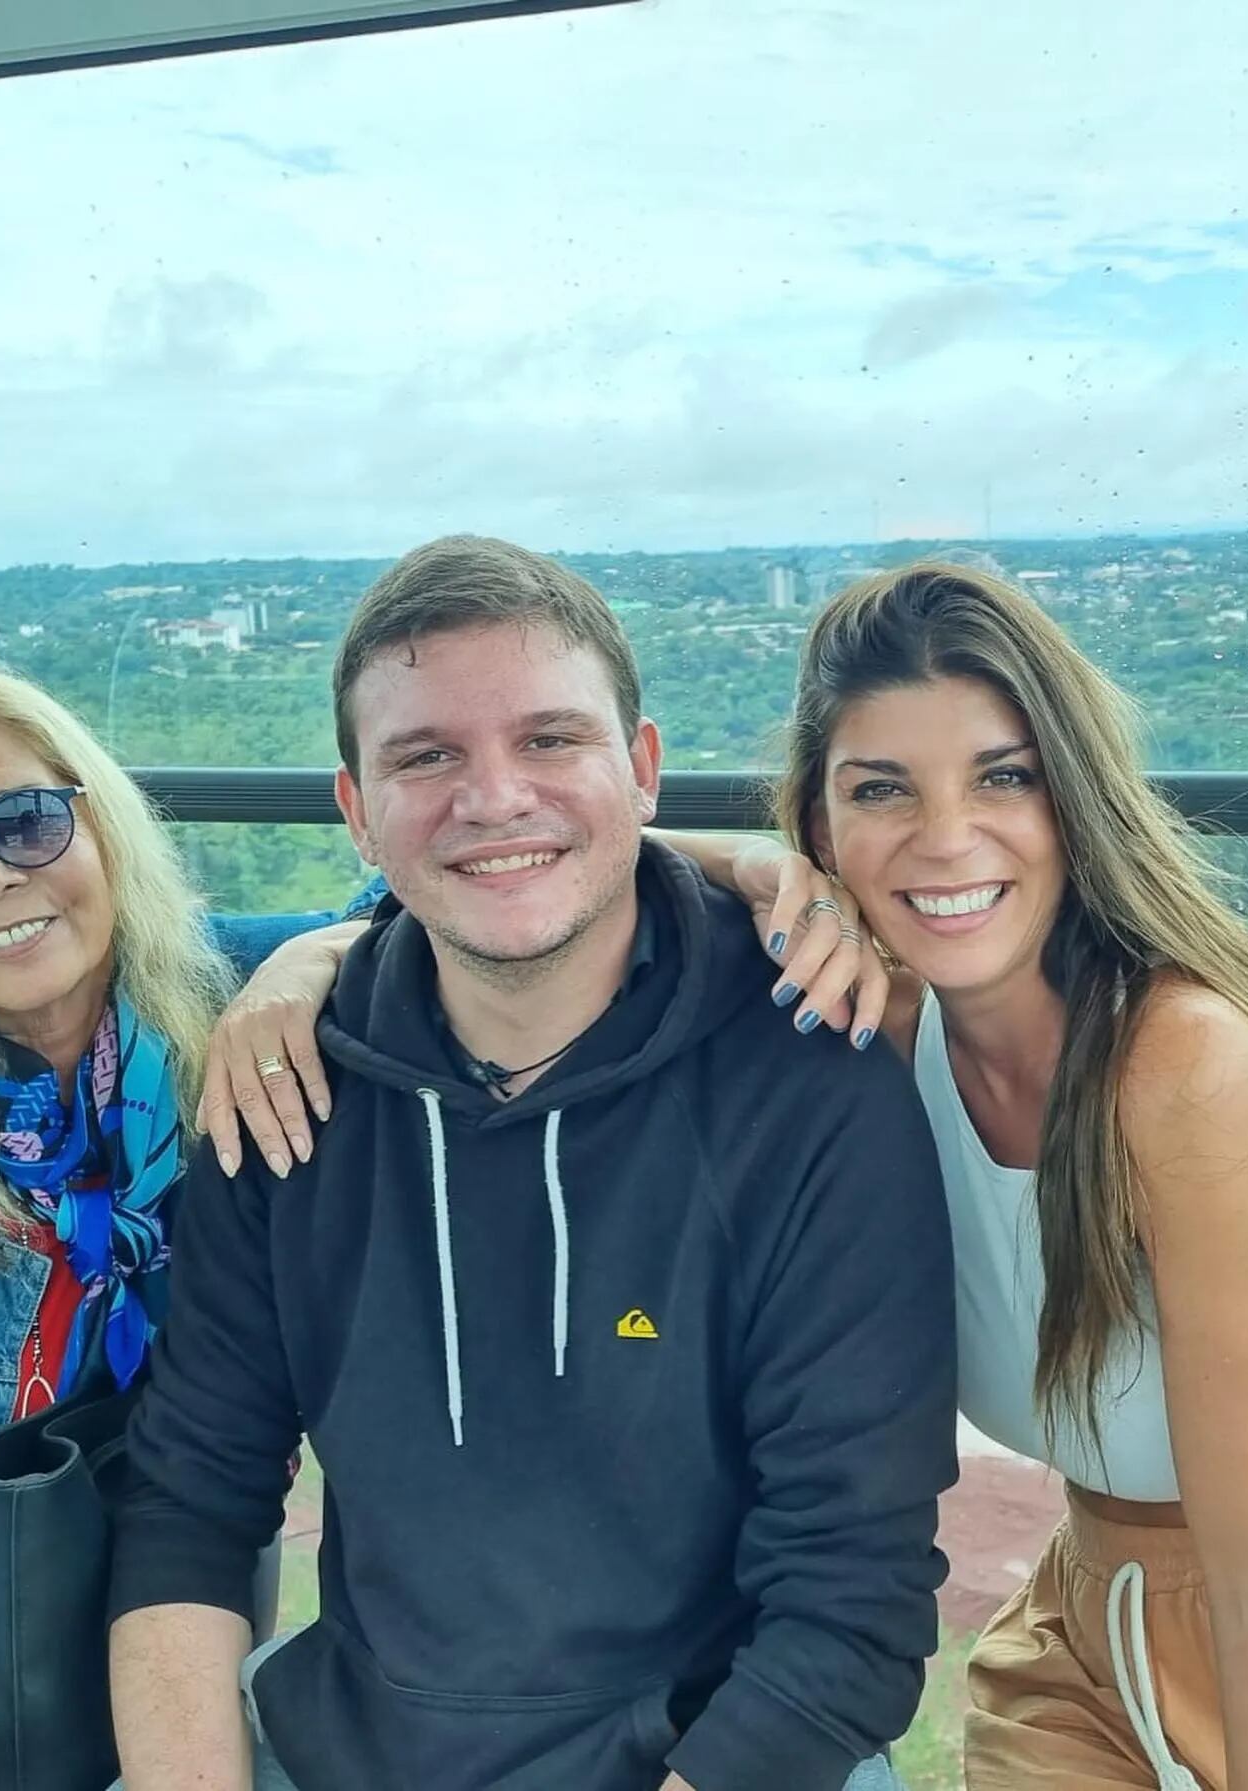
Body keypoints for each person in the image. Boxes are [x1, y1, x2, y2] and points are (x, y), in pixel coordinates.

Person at [106, 535, 958, 1791]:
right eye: (425, 756)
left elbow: (851, 1607)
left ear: (644, 767)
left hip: (716, 1754)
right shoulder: (281, 1089)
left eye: (552, 740)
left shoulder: (810, 1082)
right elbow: (191, 1500)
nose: (494, 797)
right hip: (347, 1747)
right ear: (354, 808)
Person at [655, 562, 1248, 1791]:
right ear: (821, 826)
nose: (948, 837)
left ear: (1071, 797)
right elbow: (576, 868)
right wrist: (318, 961)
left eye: (1003, 775)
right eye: (881, 790)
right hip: (1085, 1635)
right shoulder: (884, 1036)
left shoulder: (1181, 1066)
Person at [0, 663, 375, 1791]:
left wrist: (314, 958)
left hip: (162, 1616)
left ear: (96, 820)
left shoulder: (231, 1001)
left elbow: (478, 896)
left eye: (23, 823)